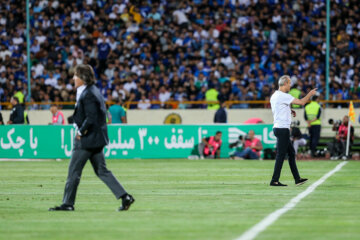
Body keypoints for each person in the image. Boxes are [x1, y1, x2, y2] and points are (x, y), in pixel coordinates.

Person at [49, 64, 134, 211]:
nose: (73, 77)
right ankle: (125, 196)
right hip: (96, 139)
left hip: (86, 140)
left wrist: (80, 132)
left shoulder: (88, 94)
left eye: (76, 75)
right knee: (102, 170)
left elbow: (91, 117)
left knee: (74, 171)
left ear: (83, 77)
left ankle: (68, 204)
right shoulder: (92, 91)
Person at [269, 75, 317, 187]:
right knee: (281, 155)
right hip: (282, 128)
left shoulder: (274, 95)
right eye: (289, 83)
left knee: (291, 153)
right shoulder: (284, 95)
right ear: (285, 83)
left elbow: (278, 108)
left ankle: (297, 179)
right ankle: (274, 180)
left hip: (277, 127)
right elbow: (301, 102)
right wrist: (310, 94)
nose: (290, 85)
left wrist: (289, 110)